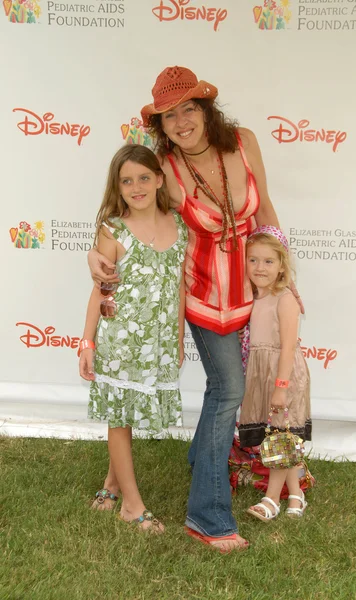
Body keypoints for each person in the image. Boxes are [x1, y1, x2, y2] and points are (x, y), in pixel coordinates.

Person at [88, 66, 302, 552]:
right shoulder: (164, 166)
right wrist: (94, 252)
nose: (181, 121)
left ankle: (196, 456)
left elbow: (264, 212)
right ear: (160, 127)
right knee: (227, 387)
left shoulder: (244, 141)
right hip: (199, 294)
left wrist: (283, 280)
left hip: (249, 289)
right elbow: (130, 204)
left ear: (206, 110)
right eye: (169, 116)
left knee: (236, 386)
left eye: (189, 108)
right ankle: (208, 515)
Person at [79, 144, 187, 532]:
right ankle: (131, 505)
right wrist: (87, 343)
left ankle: (110, 484)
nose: (137, 186)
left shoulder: (180, 225)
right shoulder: (114, 229)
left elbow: (179, 288)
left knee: (128, 413)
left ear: (159, 180)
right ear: (118, 188)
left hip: (156, 344)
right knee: (119, 419)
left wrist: (177, 338)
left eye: (145, 177)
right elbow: (100, 290)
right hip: (119, 343)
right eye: (127, 181)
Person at [238, 226, 311, 521]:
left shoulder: (285, 299)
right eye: (253, 260)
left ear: (282, 265)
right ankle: (296, 494)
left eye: (268, 261)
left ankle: (271, 500)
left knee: (281, 436)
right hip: (260, 373)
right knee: (280, 436)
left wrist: (281, 387)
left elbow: (288, 347)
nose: (260, 267)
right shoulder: (250, 296)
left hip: (283, 374)